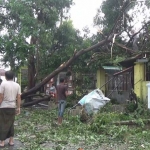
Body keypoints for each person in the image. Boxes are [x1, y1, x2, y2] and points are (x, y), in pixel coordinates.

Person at [0, 70, 21, 147]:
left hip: (3, 106)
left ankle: (2, 142)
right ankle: (11, 141)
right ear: (13, 76)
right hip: (12, 106)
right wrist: (18, 107)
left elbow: (1, 97)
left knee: (3, 123)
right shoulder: (17, 85)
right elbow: (18, 97)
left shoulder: (3, 84)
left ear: (5, 77)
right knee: (11, 123)